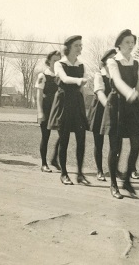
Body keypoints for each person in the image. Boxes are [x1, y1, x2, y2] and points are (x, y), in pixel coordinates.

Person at [101, 30, 139, 199]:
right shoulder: (112, 62)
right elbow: (117, 81)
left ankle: (126, 179)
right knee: (115, 147)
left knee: (136, 142)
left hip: (132, 107)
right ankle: (113, 184)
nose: (130, 45)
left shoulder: (137, 63)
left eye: (132, 42)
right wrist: (128, 93)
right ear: (119, 44)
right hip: (117, 105)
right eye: (127, 42)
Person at [48, 35, 89, 185]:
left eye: (81, 45)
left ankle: (80, 174)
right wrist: (79, 81)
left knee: (81, 140)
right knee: (64, 139)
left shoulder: (81, 65)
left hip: (77, 104)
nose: (80, 48)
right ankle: (64, 173)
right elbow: (64, 79)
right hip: (64, 103)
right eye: (77, 45)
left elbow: (82, 89)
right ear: (69, 47)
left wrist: (84, 105)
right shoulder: (60, 64)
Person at [87, 49, 117, 181]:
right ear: (105, 63)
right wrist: (109, 107)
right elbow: (100, 92)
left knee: (115, 143)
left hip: (113, 110)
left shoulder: (117, 76)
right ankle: (99, 170)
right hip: (100, 109)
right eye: (111, 59)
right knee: (98, 142)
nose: (114, 61)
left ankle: (114, 169)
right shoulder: (99, 75)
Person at [35, 51, 61, 172]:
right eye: (54, 60)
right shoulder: (43, 76)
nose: (56, 63)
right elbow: (39, 95)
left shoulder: (61, 75)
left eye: (58, 60)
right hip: (47, 108)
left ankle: (55, 159)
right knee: (46, 136)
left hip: (58, 109)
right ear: (49, 61)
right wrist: (40, 112)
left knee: (63, 136)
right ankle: (44, 164)